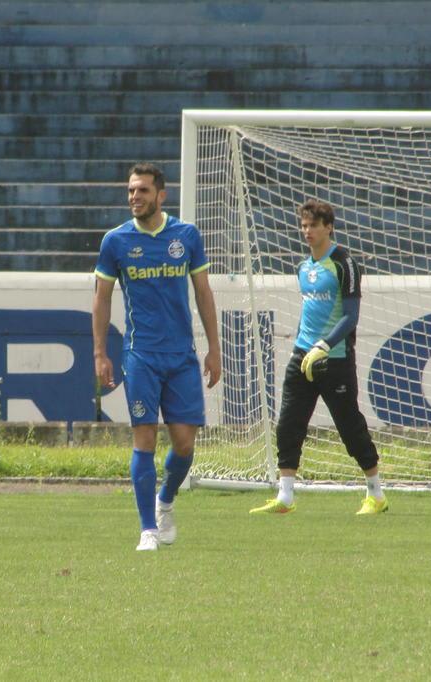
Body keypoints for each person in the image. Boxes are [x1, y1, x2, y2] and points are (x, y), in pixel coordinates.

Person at [92, 162, 222, 551]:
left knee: (184, 444)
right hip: (141, 355)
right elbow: (101, 298)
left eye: (143, 191)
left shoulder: (185, 235)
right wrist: (101, 353)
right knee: (144, 438)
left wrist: (214, 348)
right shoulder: (115, 241)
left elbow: (203, 293)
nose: (135, 197)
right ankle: (147, 529)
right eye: (131, 190)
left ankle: (164, 501)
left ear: (161, 195)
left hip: (181, 355)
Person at [250, 199, 388, 516]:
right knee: (288, 423)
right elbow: (309, 312)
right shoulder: (303, 267)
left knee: (349, 426)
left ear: (328, 227)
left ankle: (376, 493)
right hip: (303, 355)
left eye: (313, 225)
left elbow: (351, 316)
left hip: (334, 358)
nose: (307, 231)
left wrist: (323, 345)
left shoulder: (344, 263)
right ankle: (285, 496)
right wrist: (303, 342)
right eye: (304, 225)